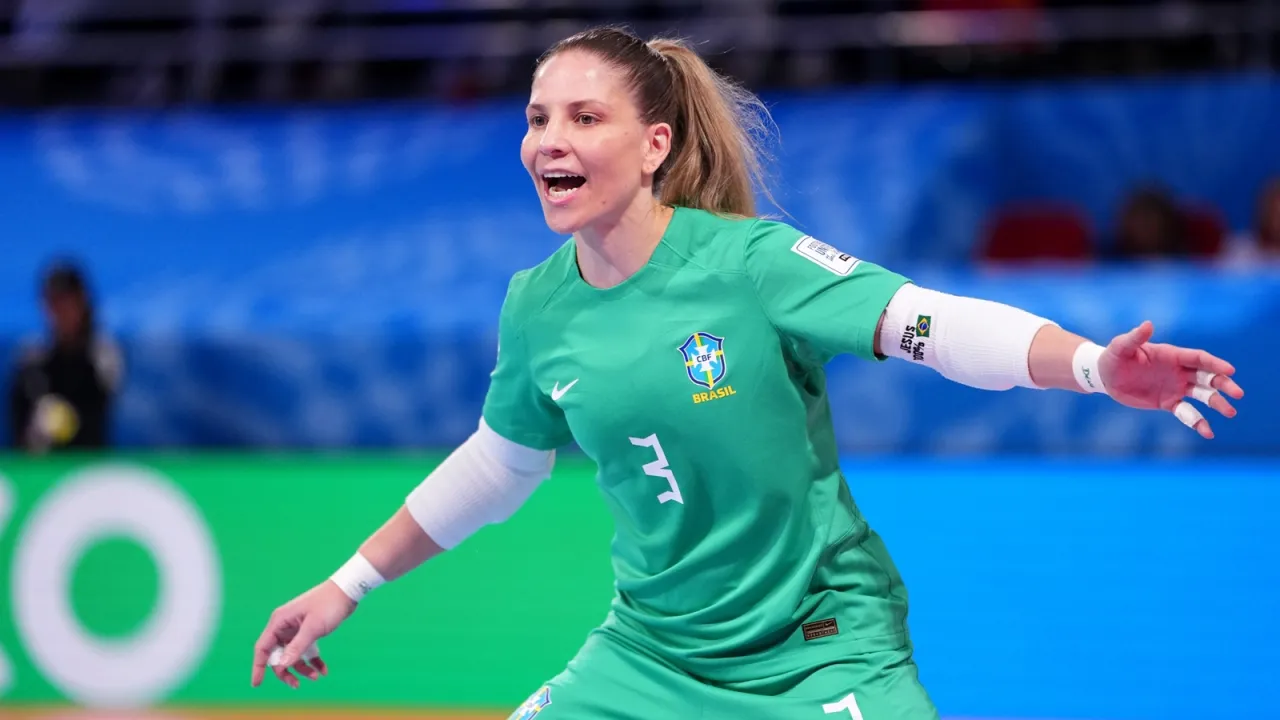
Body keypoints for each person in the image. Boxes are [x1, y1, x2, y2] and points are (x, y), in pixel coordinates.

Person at [250, 27, 1245, 719]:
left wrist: (1089, 364)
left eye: (583, 118)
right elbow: (499, 467)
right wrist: (346, 585)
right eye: (537, 117)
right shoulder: (537, 306)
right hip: (651, 657)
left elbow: (929, 325)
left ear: (654, 146)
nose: (550, 140)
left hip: (818, 651)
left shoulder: (749, 264)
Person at [7, 260, 124, 453]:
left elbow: (100, 407)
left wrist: (66, 417)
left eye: (65, 301)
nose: (59, 312)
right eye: (53, 303)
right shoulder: (32, 361)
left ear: (82, 302)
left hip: (91, 465)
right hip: (38, 467)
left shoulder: (104, 355)